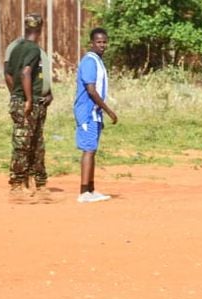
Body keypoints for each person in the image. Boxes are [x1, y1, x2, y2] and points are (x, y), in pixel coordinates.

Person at [5, 14, 51, 201]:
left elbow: (8, 74)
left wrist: (16, 94)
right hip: (28, 103)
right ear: (40, 29)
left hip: (33, 101)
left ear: (25, 28)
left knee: (37, 145)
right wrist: (28, 99)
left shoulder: (17, 48)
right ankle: (16, 187)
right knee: (23, 145)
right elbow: (25, 72)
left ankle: (39, 185)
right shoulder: (33, 49)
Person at [74, 27, 118, 204]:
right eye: (98, 42)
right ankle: (84, 191)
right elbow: (91, 90)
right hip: (87, 112)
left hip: (95, 113)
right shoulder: (89, 61)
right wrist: (108, 111)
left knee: (92, 149)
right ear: (91, 43)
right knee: (89, 150)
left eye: (104, 42)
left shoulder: (98, 61)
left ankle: (91, 189)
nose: (102, 45)